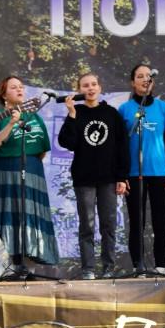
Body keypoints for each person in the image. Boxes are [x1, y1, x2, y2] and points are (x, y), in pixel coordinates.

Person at [0, 76, 59, 266]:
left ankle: (28, 267)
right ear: (4, 95)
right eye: (14, 87)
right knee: (7, 217)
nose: (20, 90)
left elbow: (41, 151)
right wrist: (11, 124)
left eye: (21, 87)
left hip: (32, 175)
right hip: (5, 175)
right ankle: (5, 266)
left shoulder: (34, 117)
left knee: (29, 217)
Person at [58, 72, 129, 279]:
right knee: (87, 225)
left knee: (109, 224)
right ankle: (88, 268)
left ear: (99, 87)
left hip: (108, 178)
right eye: (85, 85)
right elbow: (67, 143)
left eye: (93, 84)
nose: (90, 88)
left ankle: (108, 267)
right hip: (84, 178)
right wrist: (71, 114)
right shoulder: (77, 112)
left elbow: (122, 146)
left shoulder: (111, 113)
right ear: (79, 90)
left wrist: (122, 177)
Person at [118, 63, 165, 274]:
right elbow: (120, 145)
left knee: (160, 221)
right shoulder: (125, 110)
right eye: (140, 76)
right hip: (134, 175)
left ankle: (160, 267)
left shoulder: (163, 108)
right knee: (137, 223)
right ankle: (138, 267)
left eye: (148, 76)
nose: (145, 79)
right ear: (132, 82)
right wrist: (122, 175)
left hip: (160, 173)